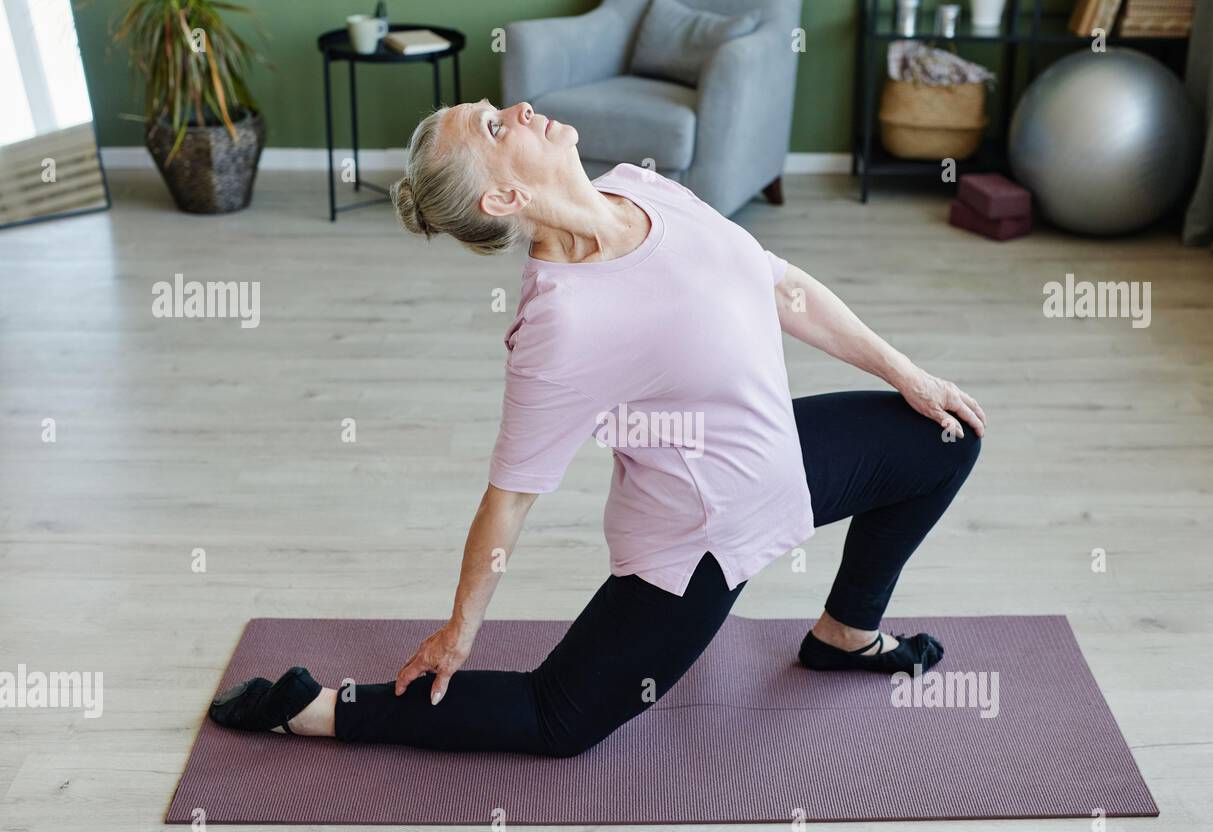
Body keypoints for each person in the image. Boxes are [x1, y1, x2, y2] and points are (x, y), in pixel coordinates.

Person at [210, 100, 985, 757]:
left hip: (781, 463)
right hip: (697, 539)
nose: (513, 110)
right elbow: (510, 500)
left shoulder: (642, 187)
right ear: (502, 200)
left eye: (491, 107)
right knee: (561, 721)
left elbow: (782, 288)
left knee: (945, 438)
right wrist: (459, 630)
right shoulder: (559, 323)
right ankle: (318, 708)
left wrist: (906, 375)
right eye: (489, 128)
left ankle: (844, 633)